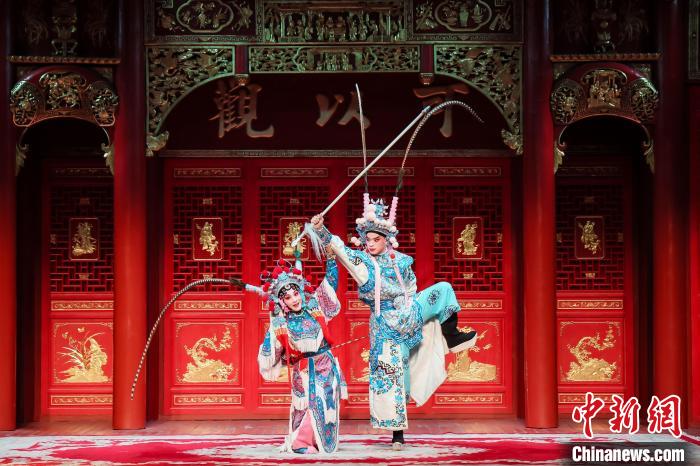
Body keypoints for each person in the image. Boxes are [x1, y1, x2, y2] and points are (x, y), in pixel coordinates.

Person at [307, 193, 477, 450]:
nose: (371, 244)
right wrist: (321, 230)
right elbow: (340, 248)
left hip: (409, 312)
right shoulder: (363, 263)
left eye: (376, 240)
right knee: (396, 376)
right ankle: (398, 433)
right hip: (385, 326)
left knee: (443, 289)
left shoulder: (400, 260)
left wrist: (407, 302)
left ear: (386, 240)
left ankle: (452, 335)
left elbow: (411, 286)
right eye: (368, 240)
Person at [256, 252, 347, 454]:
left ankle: (316, 441)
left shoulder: (315, 307)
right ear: (282, 301)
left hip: (326, 364)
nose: (294, 299)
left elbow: (330, 284)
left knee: (326, 405)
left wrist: (331, 258)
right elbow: (272, 353)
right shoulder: (281, 322)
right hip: (305, 371)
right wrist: (276, 340)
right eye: (288, 297)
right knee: (308, 404)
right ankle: (299, 443)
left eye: (296, 294)